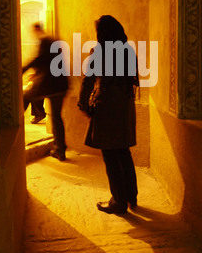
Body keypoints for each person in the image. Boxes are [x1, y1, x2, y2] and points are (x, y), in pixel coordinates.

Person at [78, 15, 139, 215]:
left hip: (107, 107)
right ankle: (131, 196)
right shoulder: (129, 51)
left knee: (111, 155)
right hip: (125, 106)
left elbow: (88, 81)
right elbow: (134, 80)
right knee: (123, 151)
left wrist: (83, 104)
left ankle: (118, 202)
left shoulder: (99, 52)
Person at [23, 23, 69, 161]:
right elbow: (48, 62)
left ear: (37, 30)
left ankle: (15, 135)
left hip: (49, 84)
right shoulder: (54, 41)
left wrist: (23, 69)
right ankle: (60, 150)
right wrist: (36, 73)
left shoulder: (44, 40)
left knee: (24, 97)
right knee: (56, 117)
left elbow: (39, 59)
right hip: (60, 85)